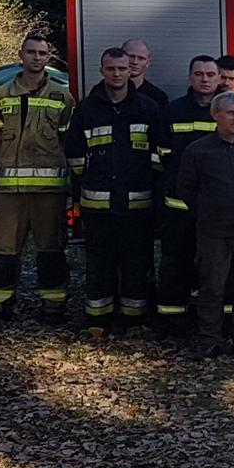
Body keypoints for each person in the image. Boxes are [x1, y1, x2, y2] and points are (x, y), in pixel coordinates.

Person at [65, 48, 161, 336]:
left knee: (137, 262)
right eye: (111, 69)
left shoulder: (148, 108)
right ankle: (98, 319)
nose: (117, 74)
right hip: (98, 205)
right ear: (101, 70)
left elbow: (159, 155)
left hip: (138, 204)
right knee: (99, 263)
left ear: (131, 70)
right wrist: (94, 182)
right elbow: (74, 154)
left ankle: (134, 320)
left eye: (122, 68)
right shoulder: (86, 109)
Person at [0, 35, 76, 322]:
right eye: (31, 52)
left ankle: (53, 307)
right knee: (4, 247)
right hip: (11, 192)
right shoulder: (1, 94)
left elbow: (68, 141)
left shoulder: (63, 97)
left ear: (49, 58)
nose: (37, 57)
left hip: (50, 192)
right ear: (20, 55)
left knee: (51, 248)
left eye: (42, 53)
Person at [177, 91, 234, 357]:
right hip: (214, 232)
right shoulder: (198, 150)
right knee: (212, 288)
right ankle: (209, 339)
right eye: (231, 112)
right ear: (215, 115)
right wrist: (209, 211)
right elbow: (186, 189)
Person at [153, 56, 223, 332]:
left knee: (217, 268)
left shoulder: (231, 110)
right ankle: (172, 321)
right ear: (189, 78)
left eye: (210, 74)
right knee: (175, 264)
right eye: (199, 74)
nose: (205, 79)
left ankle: (217, 321)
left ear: (219, 78)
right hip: (178, 208)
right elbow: (159, 163)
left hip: (215, 210)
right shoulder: (172, 112)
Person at [120, 39, 170, 106]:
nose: (135, 62)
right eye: (130, 56)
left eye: (141, 58)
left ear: (148, 63)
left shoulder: (158, 97)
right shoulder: (104, 92)